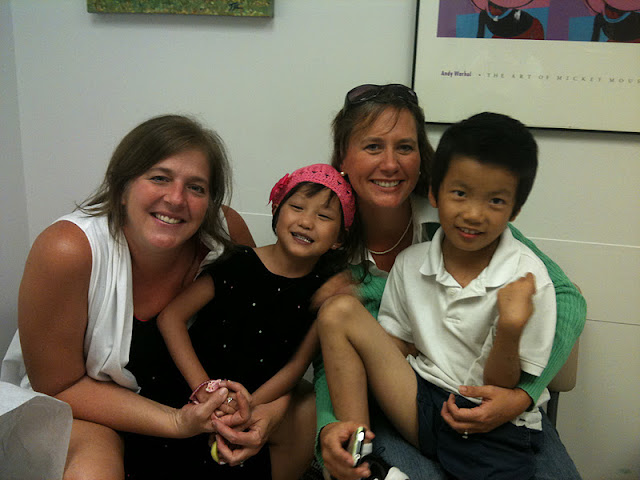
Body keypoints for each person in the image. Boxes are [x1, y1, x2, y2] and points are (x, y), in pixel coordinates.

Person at [0, 115, 310, 480]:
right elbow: (60, 386)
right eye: (160, 178)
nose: (176, 199)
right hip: (86, 406)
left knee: (302, 404)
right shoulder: (67, 249)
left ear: (210, 202)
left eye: (196, 187)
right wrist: (177, 422)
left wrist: (267, 411)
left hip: (184, 392)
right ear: (122, 186)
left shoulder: (228, 236)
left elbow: (264, 339)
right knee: (94, 466)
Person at [312, 84, 586, 480]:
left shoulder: (463, 223)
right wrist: (329, 428)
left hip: (501, 412)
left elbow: (569, 299)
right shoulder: (325, 238)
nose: (390, 164)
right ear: (343, 157)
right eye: (373, 146)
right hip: (409, 403)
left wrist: (520, 396)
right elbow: (334, 355)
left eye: (405, 147)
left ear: (422, 158)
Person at [156, 163, 360, 478]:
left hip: (252, 407)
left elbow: (296, 366)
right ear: (276, 211)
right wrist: (205, 389)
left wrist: (246, 405)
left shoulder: (324, 291)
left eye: (324, 216)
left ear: (339, 239)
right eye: (297, 207)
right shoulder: (238, 261)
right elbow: (171, 318)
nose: (306, 222)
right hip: (189, 390)